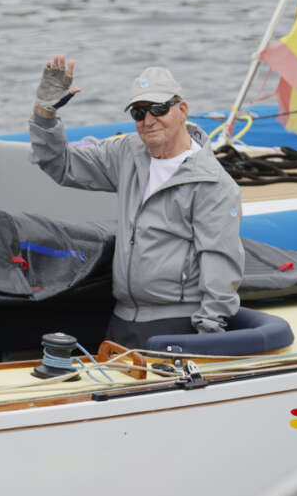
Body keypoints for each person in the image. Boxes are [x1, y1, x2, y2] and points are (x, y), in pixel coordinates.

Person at [30, 57, 243, 347]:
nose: (148, 119)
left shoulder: (214, 184)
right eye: (139, 112)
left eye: (159, 108)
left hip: (175, 324)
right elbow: (60, 163)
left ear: (182, 110)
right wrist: (45, 113)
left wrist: (207, 336)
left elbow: (220, 262)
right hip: (121, 319)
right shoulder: (126, 151)